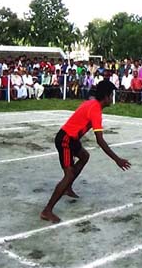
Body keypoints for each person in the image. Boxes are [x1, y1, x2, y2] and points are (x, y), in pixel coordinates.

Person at [41, 81, 131, 223]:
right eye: (111, 95)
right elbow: (100, 141)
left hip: (72, 138)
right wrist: (117, 159)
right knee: (69, 174)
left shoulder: (92, 104)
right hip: (66, 139)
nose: (112, 98)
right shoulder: (95, 109)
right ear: (106, 96)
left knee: (84, 156)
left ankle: (67, 187)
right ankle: (47, 210)